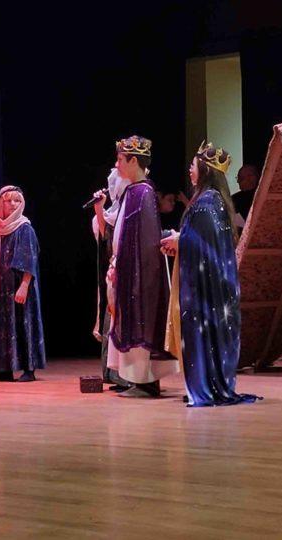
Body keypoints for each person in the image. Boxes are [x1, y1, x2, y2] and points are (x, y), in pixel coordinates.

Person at [161, 141, 262, 407]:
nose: (190, 170)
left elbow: (204, 244)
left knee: (204, 337)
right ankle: (207, 383)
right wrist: (180, 240)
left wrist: (179, 241)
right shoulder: (213, 201)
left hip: (206, 290)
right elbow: (203, 240)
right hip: (209, 285)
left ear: (205, 170)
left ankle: (206, 385)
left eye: (193, 166)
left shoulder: (207, 203)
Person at [100, 135, 177, 398]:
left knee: (141, 322)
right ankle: (140, 380)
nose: (117, 164)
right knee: (131, 322)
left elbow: (144, 240)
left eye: (120, 159)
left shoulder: (142, 193)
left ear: (134, 161)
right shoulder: (133, 192)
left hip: (139, 272)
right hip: (130, 268)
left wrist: (129, 269)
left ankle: (145, 382)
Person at [0, 186, 45, 382]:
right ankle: (3, 369)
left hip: (19, 286)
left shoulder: (24, 228)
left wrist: (24, 286)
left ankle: (29, 369)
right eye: (8, 200)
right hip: (2, 288)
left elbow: (29, 260)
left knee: (23, 324)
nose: (13, 204)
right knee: (3, 327)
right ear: (0, 203)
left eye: (17, 200)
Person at [91, 168, 130, 390]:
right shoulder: (115, 209)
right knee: (111, 321)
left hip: (127, 272)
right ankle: (113, 374)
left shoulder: (130, 206)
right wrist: (99, 209)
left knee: (121, 322)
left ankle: (126, 375)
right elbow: (106, 237)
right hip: (114, 273)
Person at [230, 163, 259, 229]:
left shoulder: (235, 200)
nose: (238, 181)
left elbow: (239, 226)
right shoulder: (266, 195)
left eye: (240, 178)